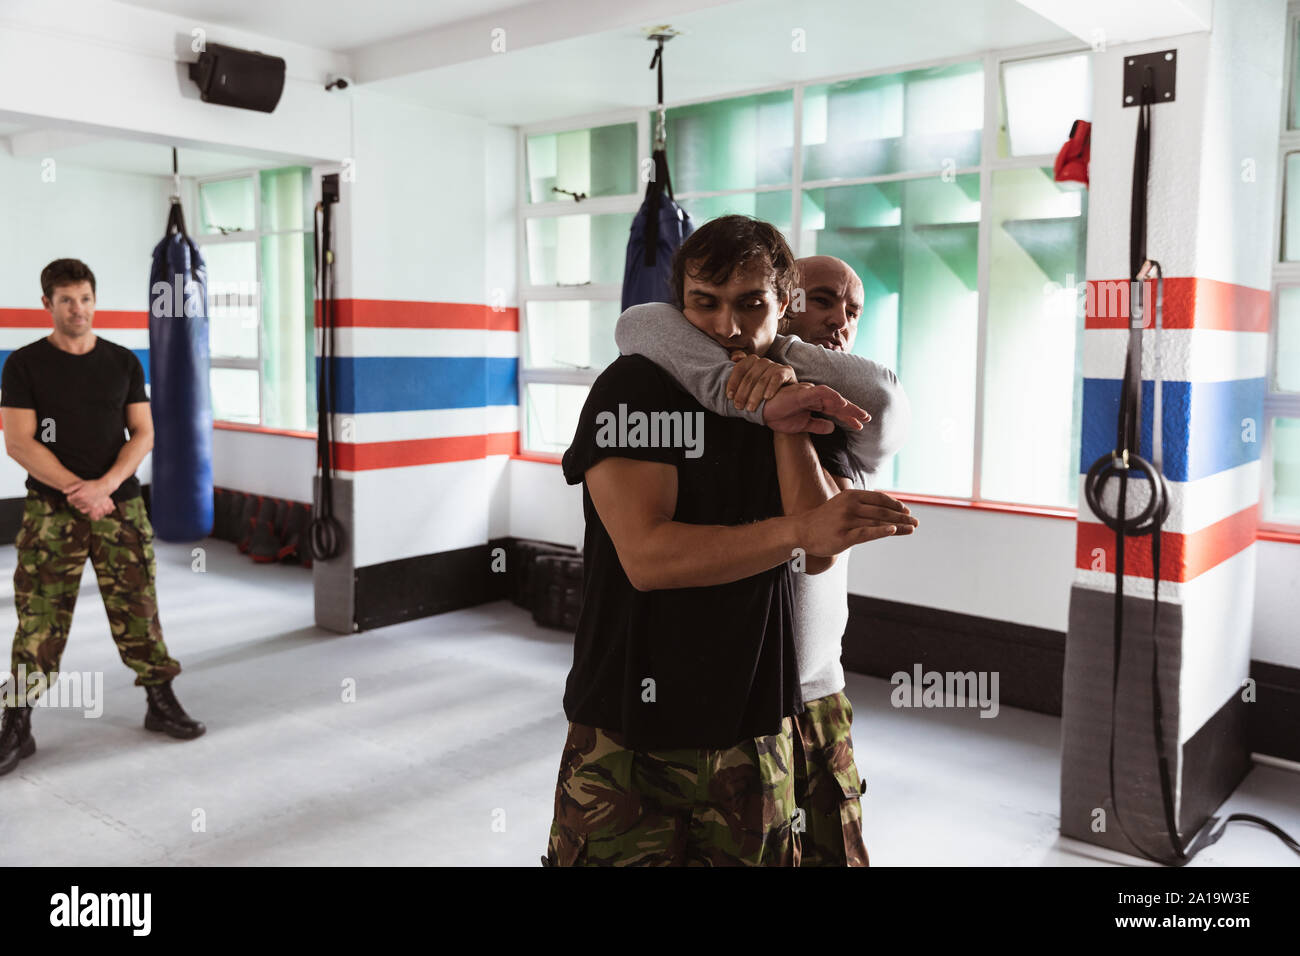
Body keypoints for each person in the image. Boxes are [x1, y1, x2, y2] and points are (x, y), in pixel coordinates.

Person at [543, 216, 916, 866]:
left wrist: (784, 416)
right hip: (630, 730)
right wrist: (798, 529)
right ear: (680, 303)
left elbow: (819, 550)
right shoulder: (637, 387)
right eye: (704, 303)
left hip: (758, 726)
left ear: (783, 309)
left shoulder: (801, 403)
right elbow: (648, 557)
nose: (726, 327)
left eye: (750, 305)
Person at [0, 258, 204, 778]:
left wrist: (105, 487)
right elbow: (19, 442)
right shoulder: (23, 365)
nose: (78, 309)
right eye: (66, 300)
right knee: (40, 617)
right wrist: (78, 491)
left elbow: (144, 433)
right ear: (46, 304)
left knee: (139, 605)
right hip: (52, 511)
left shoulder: (122, 362)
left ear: (95, 300)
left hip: (120, 506)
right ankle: (17, 720)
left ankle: (160, 700)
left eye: (86, 298)